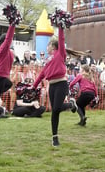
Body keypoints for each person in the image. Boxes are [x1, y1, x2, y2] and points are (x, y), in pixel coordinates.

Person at [32, 18, 83, 146]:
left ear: (53, 46)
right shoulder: (47, 60)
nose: (47, 47)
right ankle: (55, 137)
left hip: (61, 84)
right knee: (55, 111)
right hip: (52, 86)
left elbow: (61, 40)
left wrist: (60, 26)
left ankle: (71, 105)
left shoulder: (60, 54)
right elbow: (43, 74)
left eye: (48, 45)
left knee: (56, 108)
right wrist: (34, 86)